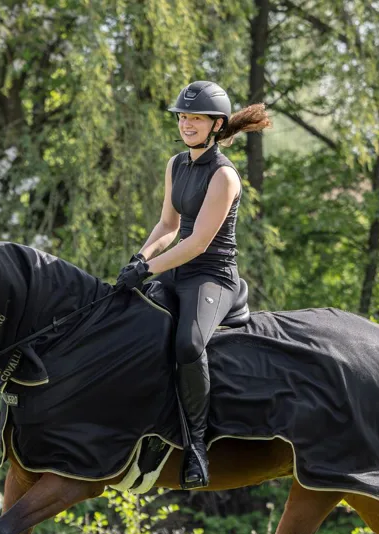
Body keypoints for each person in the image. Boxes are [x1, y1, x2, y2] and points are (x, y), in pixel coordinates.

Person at [115, 80, 272, 489]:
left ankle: (197, 444)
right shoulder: (176, 165)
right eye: (183, 117)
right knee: (139, 328)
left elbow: (198, 242)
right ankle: (151, 427)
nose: (187, 123)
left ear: (216, 124)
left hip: (212, 276)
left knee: (187, 344)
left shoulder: (224, 176)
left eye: (195, 118)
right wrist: (141, 258)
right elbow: (169, 225)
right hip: (176, 269)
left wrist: (149, 270)